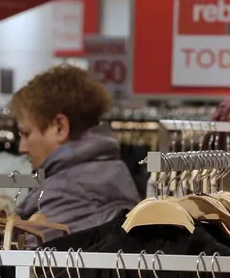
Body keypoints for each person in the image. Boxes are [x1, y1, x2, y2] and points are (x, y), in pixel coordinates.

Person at [12, 64, 140, 241]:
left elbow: (26, 264)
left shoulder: (68, 192)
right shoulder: (110, 172)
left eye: (26, 134)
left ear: (60, 127)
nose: (22, 148)